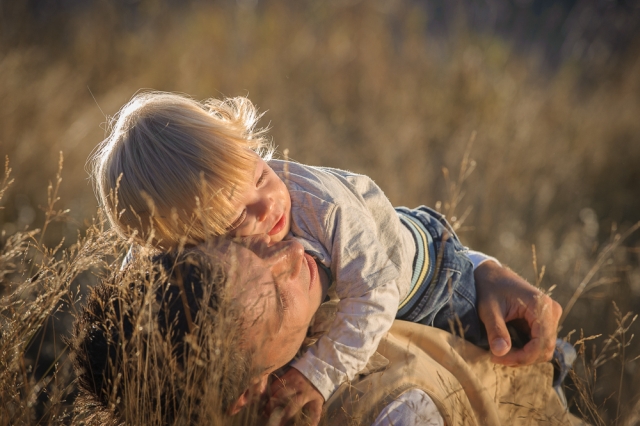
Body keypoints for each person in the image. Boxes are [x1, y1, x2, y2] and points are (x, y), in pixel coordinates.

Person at [91, 92, 547, 423]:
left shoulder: (320, 205)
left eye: (260, 174)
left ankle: (558, 368)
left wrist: (318, 374)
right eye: (235, 222)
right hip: (363, 275)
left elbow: (376, 293)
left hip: (421, 273)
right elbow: (155, 285)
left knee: (503, 349)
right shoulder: (185, 249)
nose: (268, 205)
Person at [71, 237, 575, 425]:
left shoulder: (289, 337)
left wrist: (475, 271)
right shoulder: (388, 408)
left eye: (248, 247)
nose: (292, 252)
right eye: (275, 293)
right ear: (247, 394)